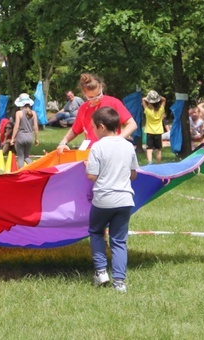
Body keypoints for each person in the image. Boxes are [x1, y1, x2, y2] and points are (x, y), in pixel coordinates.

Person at [87, 107, 139, 293]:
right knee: (119, 241)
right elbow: (133, 175)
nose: (93, 130)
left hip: (103, 199)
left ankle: (101, 272)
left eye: (93, 127)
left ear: (101, 127)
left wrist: (88, 166)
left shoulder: (98, 147)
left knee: (96, 231)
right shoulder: (127, 145)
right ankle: (119, 282)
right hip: (125, 200)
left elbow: (92, 175)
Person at [56, 73, 137, 154]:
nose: (96, 100)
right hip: (91, 152)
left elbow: (132, 124)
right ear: (84, 93)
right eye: (91, 97)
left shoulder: (113, 102)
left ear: (101, 87)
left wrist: (118, 139)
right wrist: (64, 142)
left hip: (112, 151)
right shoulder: (83, 109)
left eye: (98, 95)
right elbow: (75, 130)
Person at [10, 93, 39, 166]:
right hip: (30, 137)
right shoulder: (34, 113)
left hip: (21, 137)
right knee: (27, 157)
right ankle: (34, 169)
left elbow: (16, 127)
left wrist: (12, 138)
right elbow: (35, 127)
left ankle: (21, 173)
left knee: (20, 157)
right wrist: (36, 138)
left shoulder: (19, 113)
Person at [142, 90, 167, 164]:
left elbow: (143, 100)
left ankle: (150, 162)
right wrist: (157, 97)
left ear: (149, 102)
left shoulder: (148, 111)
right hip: (158, 132)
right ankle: (158, 163)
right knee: (158, 149)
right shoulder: (161, 110)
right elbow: (164, 99)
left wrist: (148, 98)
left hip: (149, 132)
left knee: (149, 149)